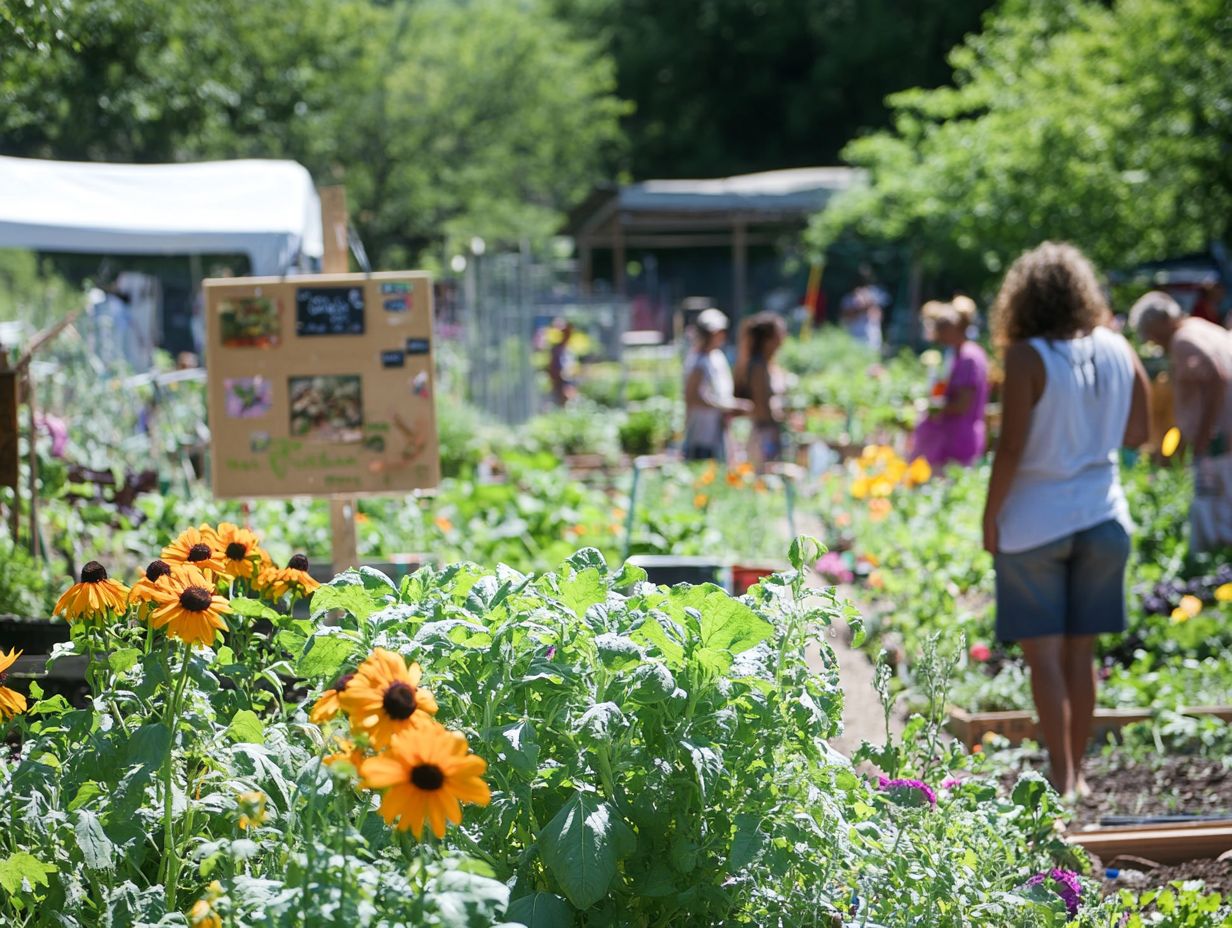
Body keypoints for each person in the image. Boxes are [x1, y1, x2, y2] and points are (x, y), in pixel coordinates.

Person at [982, 242, 1150, 798]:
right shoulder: (1119, 348)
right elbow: (1138, 434)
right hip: (1104, 517)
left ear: (1022, 299)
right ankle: (1080, 773)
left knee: (1045, 659)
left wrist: (990, 518)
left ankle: (1063, 778)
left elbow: (1009, 451)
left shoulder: (1028, 356)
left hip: (1036, 522)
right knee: (1083, 655)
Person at [1130, 290, 1232, 551]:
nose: (1149, 341)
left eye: (1148, 333)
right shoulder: (1200, 328)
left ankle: (1213, 577)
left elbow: (1216, 377)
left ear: (1162, 322)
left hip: (1218, 442)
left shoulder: (1183, 340)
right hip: (1222, 438)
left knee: (1216, 516)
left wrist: (1203, 436)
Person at [910, 296, 990, 468]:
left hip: (960, 439)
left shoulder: (969, 357)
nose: (939, 336)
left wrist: (931, 406)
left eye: (942, 329)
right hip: (954, 438)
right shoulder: (959, 353)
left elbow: (962, 405)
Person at [683, 309, 750, 461]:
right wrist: (726, 406)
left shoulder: (716, 356)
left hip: (718, 431)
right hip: (701, 434)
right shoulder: (698, 361)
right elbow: (692, 397)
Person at [734, 312, 788, 471]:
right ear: (768, 339)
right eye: (780, 333)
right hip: (764, 435)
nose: (784, 336)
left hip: (770, 431)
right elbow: (761, 406)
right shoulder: (758, 366)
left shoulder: (768, 363)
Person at [840, 265, 889, 351]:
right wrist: (859, 307)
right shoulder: (848, 298)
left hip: (871, 338)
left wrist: (869, 303)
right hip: (853, 337)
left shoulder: (876, 295)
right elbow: (845, 318)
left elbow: (878, 317)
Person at [546, 318, 577, 406]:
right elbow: (553, 368)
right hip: (560, 380)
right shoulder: (556, 349)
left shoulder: (568, 348)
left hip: (567, 379)